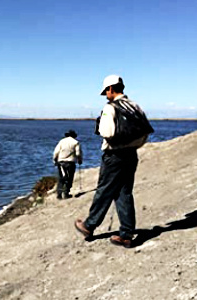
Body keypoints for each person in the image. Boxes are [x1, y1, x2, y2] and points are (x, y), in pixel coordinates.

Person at [74, 75, 150, 248]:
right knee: (124, 193)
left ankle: (89, 225)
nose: (106, 95)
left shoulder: (110, 107)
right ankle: (127, 234)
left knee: (104, 190)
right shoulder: (134, 105)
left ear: (110, 89)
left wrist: (101, 127)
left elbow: (107, 132)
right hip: (131, 154)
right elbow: (145, 132)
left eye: (105, 91)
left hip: (114, 156)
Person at [53, 130, 83, 199]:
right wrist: (80, 160)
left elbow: (56, 152)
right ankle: (66, 193)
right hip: (70, 162)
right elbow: (78, 153)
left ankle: (59, 194)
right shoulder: (76, 142)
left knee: (61, 178)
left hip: (61, 162)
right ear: (74, 136)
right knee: (69, 178)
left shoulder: (61, 141)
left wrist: (55, 160)